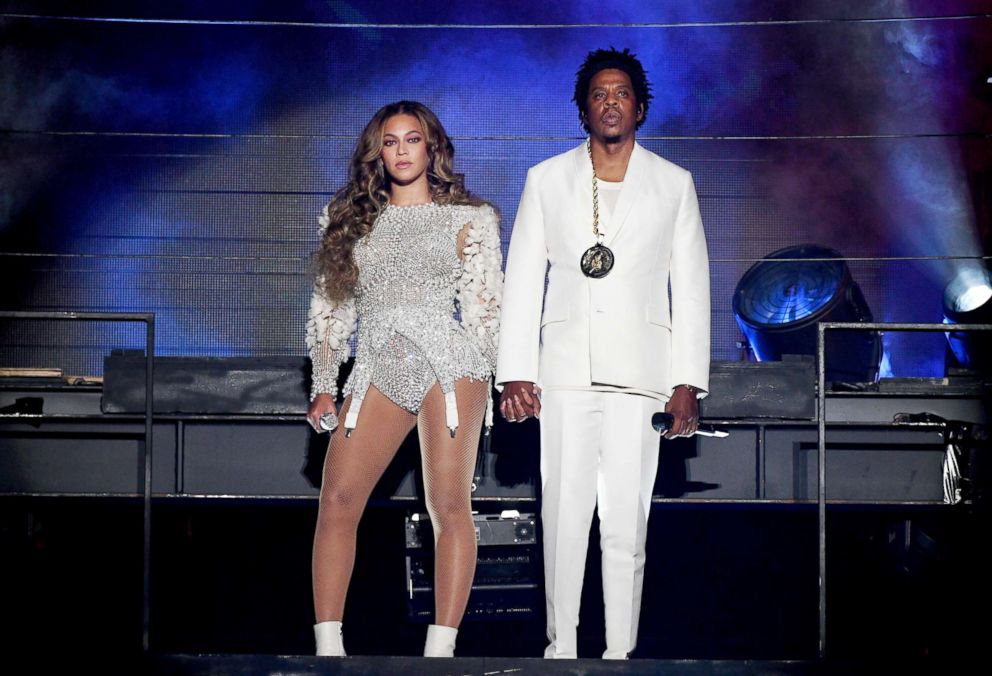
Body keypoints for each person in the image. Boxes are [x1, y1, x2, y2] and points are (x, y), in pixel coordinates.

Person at [496, 47, 711, 659]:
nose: (610, 101)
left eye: (621, 92)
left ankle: (620, 653)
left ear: (639, 107)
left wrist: (686, 384)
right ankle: (560, 650)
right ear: (583, 109)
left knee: (626, 527)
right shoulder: (546, 179)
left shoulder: (673, 185)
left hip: (642, 377)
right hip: (562, 375)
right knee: (564, 524)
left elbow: (691, 289)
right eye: (598, 93)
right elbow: (521, 280)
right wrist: (515, 373)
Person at [305, 101, 502, 658]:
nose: (400, 151)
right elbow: (330, 308)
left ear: (431, 146)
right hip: (378, 365)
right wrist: (324, 380)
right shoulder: (347, 219)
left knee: (448, 502)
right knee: (338, 497)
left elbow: (487, 309)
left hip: (450, 363)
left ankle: (439, 653)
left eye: (412, 139)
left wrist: (496, 382)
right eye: (389, 142)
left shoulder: (470, 218)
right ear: (378, 152)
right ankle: (328, 649)